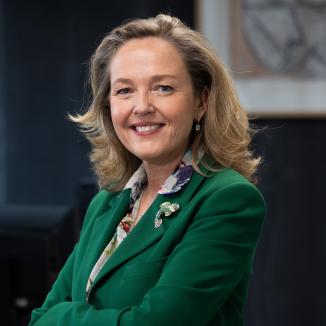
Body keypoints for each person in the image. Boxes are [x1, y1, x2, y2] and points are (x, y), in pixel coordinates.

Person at [29, 14, 265, 326]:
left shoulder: (227, 200)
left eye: (163, 88)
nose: (141, 106)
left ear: (201, 101)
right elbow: (39, 319)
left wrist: (64, 317)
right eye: (124, 90)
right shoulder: (108, 203)